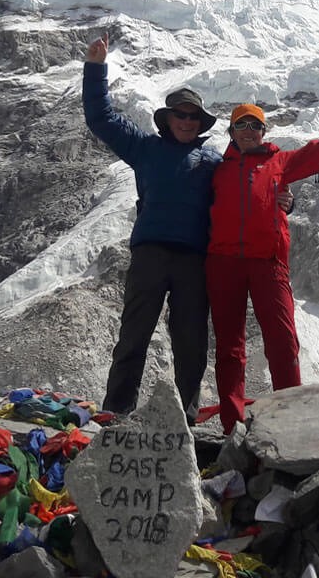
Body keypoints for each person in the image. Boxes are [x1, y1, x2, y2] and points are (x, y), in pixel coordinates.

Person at [206, 67, 319, 434]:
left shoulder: (280, 163)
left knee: (281, 341)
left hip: (268, 262)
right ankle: (233, 427)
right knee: (230, 349)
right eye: (241, 125)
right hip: (223, 263)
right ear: (231, 133)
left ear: (264, 131)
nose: (248, 131)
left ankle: (292, 424)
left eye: (254, 125)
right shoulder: (215, 169)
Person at [82, 32, 220, 424]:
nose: (188, 122)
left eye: (194, 117)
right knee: (134, 334)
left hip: (194, 259)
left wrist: (287, 201)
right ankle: (117, 411)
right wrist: (95, 68)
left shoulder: (212, 161)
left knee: (191, 341)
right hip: (150, 254)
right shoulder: (145, 148)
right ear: (167, 118)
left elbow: (248, 190)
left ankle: (187, 418)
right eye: (181, 115)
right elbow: (101, 118)